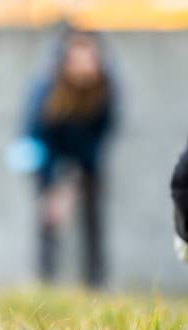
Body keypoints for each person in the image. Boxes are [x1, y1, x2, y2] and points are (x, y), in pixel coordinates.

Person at [21, 28, 116, 287]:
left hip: (87, 162)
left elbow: (102, 134)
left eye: (89, 57)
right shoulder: (46, 89)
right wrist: (54, 185)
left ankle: (95, 282)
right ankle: (43, 279)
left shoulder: (105, 88)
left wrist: (75, 178)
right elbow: (37, 135)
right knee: (48, 218)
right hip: (49, 160)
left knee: (92, 222)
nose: (84, 64)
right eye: (77, 57)